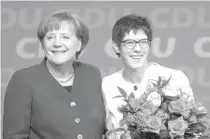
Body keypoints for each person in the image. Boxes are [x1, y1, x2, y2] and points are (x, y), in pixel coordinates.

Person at [3, 10, 106, 139]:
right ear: (42, 44)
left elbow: (107, 127)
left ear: (79, 44)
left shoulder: (92, 74)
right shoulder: (23, 79)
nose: (57, 43)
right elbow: (14, 136)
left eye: (65, 37)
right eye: (50, 37)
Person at [102, 14, 195, 138]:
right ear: (116, 47)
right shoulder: (107, 84)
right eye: (129, 43)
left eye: (143, 42)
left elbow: (193, 128)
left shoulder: (174, 78)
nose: (138, 49)